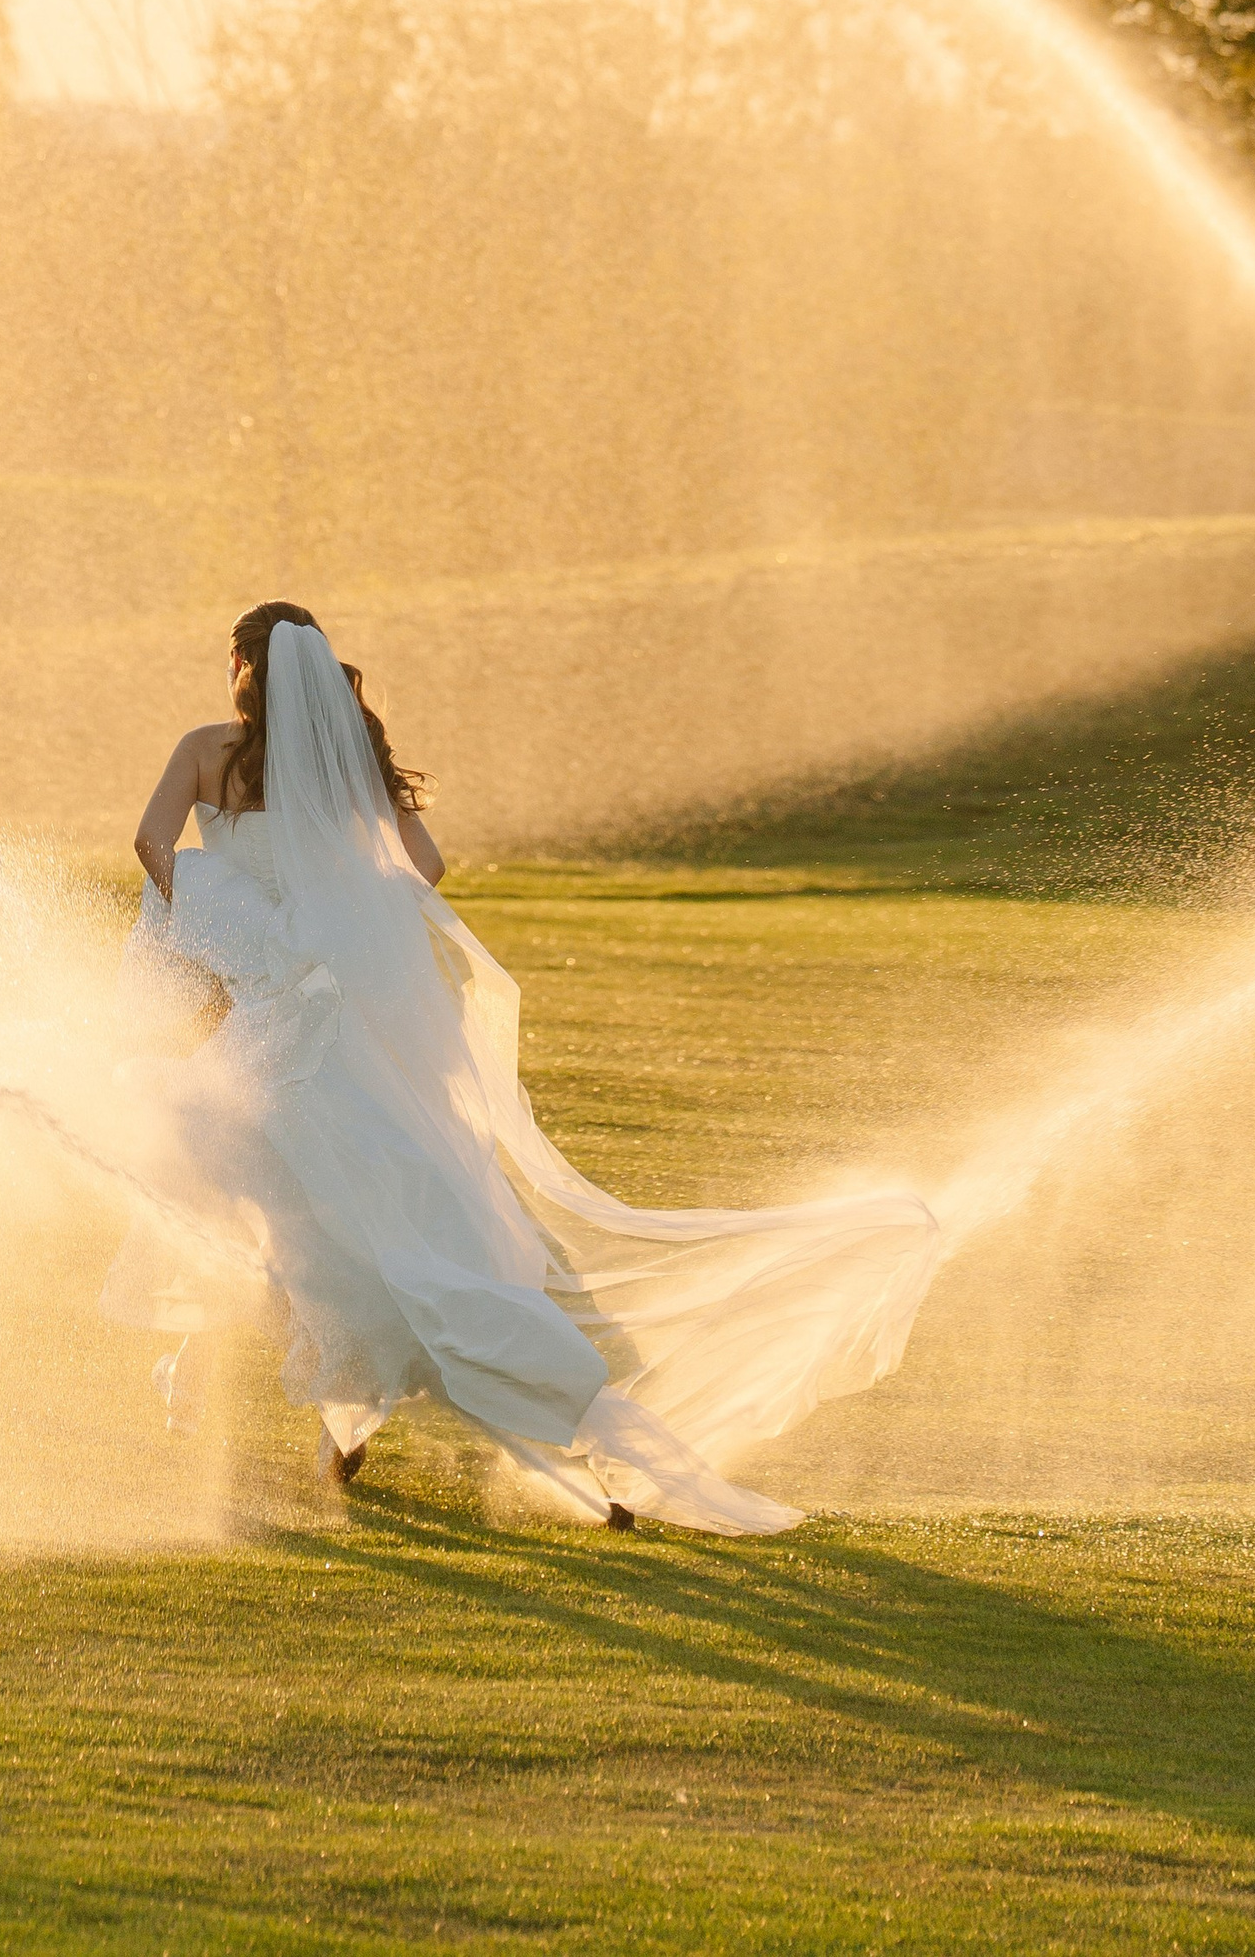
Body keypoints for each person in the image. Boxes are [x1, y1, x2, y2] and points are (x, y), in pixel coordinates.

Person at [94, 602, 942, 1533]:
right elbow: (426, 863)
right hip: (345, 1022)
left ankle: (357, 1406)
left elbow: (151, 846)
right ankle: (418, 1413)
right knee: (391, 1207)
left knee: (284, 1211)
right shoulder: (346, 763)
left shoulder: (208, 750)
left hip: (272, 1022)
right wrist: (339, 916)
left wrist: (233, 925)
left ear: (244, 669)